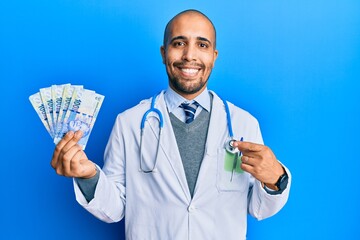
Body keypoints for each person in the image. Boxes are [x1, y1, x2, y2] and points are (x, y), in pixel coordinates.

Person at [51, 9, 291, 240]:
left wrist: (275, 179)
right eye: (179, 43)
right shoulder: (130, 123)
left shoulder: (243, 123)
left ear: (214, 57)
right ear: (164, 53)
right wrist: (88, 175)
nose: (189, 55)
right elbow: (114, 209)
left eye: (202, 45)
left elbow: (259, 208)